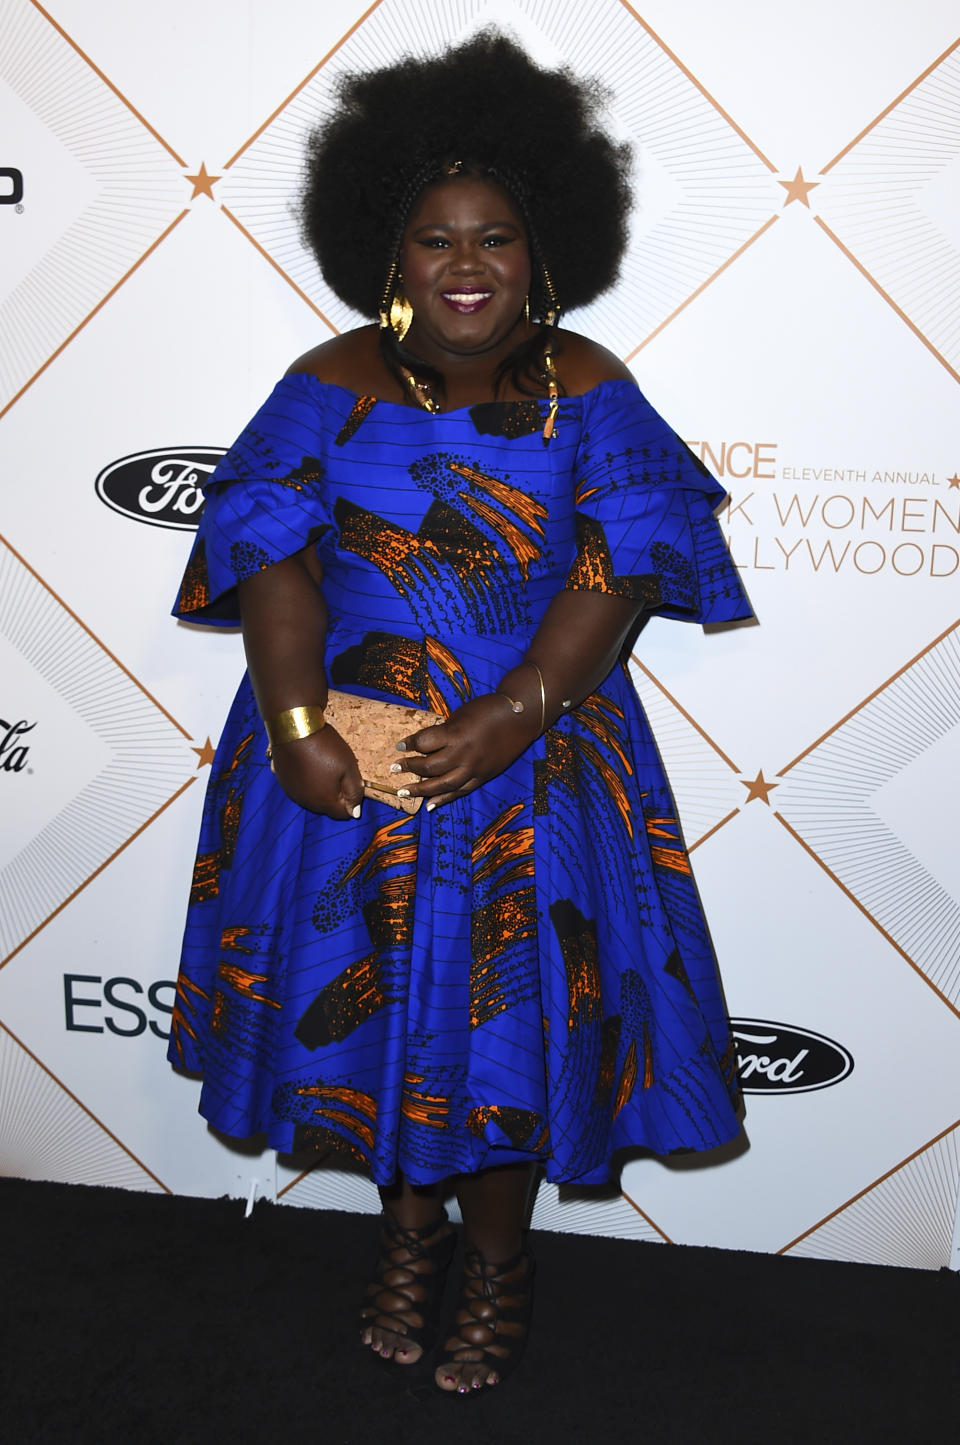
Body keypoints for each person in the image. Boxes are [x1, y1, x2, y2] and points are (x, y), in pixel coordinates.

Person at [168, 31, 754, 1395]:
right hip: (345, 763)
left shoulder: (590, 388)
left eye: (496, 235)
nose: (467, 263)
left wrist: (514, 710)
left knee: (504, 1025)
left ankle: (497, 1259)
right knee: (372, 1012)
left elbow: (620, 570)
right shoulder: (326, 384)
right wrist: (303, 726)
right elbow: (276, 566)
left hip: (534, 765)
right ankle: (411, 1237)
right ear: (390, 252)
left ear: (542, 251)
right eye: (436, 238)